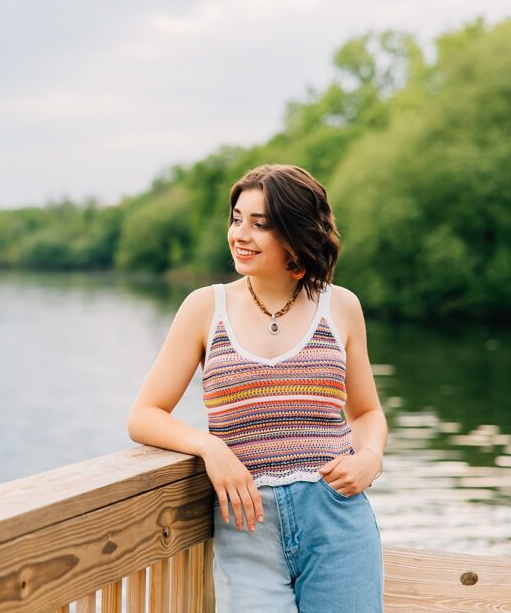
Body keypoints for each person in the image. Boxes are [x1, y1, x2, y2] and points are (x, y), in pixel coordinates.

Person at [126, 164, 387, 612]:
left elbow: (366, 414)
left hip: (337, 517)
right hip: (247, 523)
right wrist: (211, 449)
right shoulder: (205, 308)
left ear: (295, 233)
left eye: (259, 224)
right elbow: (145, 415)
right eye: (236, 219)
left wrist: (370, 458)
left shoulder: (340, 307)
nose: (240, 235)